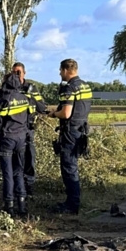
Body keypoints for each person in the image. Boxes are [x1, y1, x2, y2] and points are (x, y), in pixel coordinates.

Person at [47, 58, 91, 214]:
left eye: (60, 70)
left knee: (69, 167)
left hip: (70, 131)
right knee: (73, 166)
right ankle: (73, 201)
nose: (60, 73)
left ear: (65, 70)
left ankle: (72, 205)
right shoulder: (85, 86)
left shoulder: (69, 88)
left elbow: (65, 113)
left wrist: (53, 114)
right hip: (81, 130)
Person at [0, 72, 31, 216]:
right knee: (19, 172)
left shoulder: (3, 100)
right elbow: (29, 119)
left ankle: (9, 205)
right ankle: (22, 205)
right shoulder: (24, 98)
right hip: (21, 139)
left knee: (8, 173)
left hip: (7, 139)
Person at [12, 61, 47, 196]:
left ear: (24, 73)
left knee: (29, 156)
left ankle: (29, 184)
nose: (16, 75)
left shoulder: (31, 88)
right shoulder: (10, 87)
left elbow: (41, 107)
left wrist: (29, 95)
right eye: (14, 72)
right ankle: (17, 185)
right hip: (14, 129)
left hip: (28, 127)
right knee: (15, 157)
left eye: (19, 72)